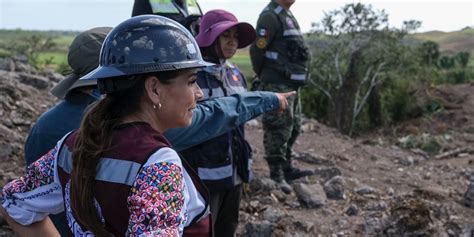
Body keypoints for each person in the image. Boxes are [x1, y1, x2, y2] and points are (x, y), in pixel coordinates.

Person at [1, 15, 294, 236]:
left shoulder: (71, 143)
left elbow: (13, 204)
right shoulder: (159, 165)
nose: (199, 93)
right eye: (191, 81)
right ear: (154, 89)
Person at [180, 9, 255, 236]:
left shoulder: (235, 74)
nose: (233, 43)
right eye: (226, 36)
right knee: (202, 229)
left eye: (235, 37)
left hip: (234, 172)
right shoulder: (193, 75)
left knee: (227, 227)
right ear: (209, 37)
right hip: (204, 174)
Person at [250, 0, 312, 192]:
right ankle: (276, 174)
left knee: (293, 126)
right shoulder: (270, 16)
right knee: (278, 126)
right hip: (277, 82)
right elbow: (257, 49)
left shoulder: (286, 14)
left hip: (292, 82)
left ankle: (287, 167)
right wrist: (265, 77)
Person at [132, 0, 202, 36]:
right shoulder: (144, 1)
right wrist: (182, 25)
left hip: (193, 56)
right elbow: (136, 33)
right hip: (162, 59)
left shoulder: (193, 2)